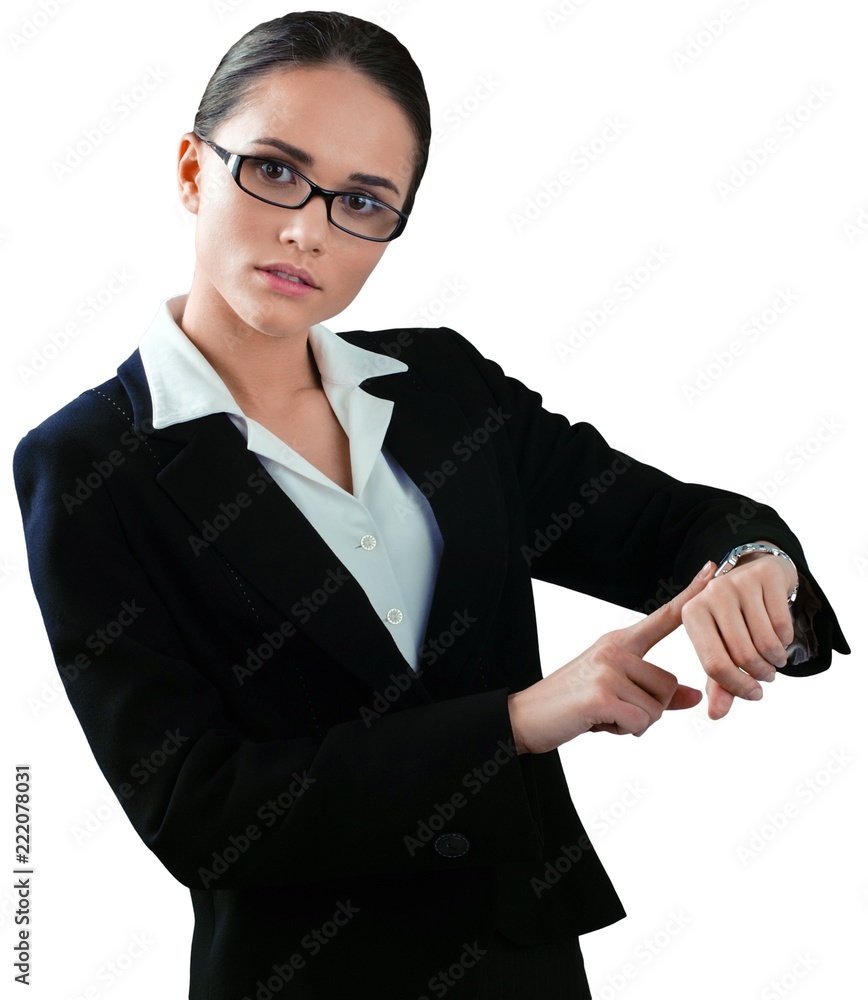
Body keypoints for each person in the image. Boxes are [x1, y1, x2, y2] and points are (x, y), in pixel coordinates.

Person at [12, 10, 849, 999]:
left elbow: (672, 526)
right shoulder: (88, 463)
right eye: (275, 170)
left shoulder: (445, 388)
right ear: (194, 170)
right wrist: (516, 722)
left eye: (361, 201)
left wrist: (753, 565)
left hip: (523, 967)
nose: (307, 229)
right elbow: (200, 809)